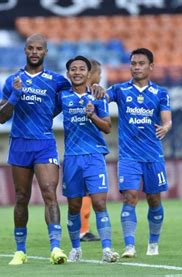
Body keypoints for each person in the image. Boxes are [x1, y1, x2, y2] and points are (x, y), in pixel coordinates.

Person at [0, 34, 71, 266]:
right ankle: (20, 251)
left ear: (45, 52)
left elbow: (72, 95)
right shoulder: (12, 81)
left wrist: (95, 87)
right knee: (21, 197)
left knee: (49, 192)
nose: (34, 52)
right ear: (25, 51)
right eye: (30, 48)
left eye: (39, 48)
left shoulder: (57, 80)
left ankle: (56, 247)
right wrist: (15, 97)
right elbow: (1, 117)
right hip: (19, 143)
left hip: (44, 143)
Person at [106, 48, 172, 257]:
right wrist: (98, 92)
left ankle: (153, 243)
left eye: (141, 63)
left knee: (154, 200)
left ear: (151, 67)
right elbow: (103, 97)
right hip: (128, 156)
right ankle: (129, 245)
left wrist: (166, 126)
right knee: (130, 197)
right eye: (133, 63)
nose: (136, 67)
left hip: (153, 155)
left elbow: (167, 118)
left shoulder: (160, 93)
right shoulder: (120, 90)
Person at [57, 55, 119, 263]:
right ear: (68, 74)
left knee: (100, 203)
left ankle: (107, 249)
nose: (77, 72)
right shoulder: (62, 97)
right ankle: (76, 248)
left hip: (94, 156)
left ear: (88, 73)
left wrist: (92, 116)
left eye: (82, 69)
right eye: (73, 69)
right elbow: (45, 114)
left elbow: (108, 127)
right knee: (74, 206)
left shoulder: (98, 96)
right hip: (72, 158)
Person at [79, 59, 102, 242]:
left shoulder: (94, 94)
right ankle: (82, 230)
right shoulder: (83, 95)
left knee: (86, 192)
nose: (100, 78)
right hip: (84, 151)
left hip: (87, 150)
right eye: (98, 74)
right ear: (91, 74)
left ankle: (84, 229)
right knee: (85, 192)